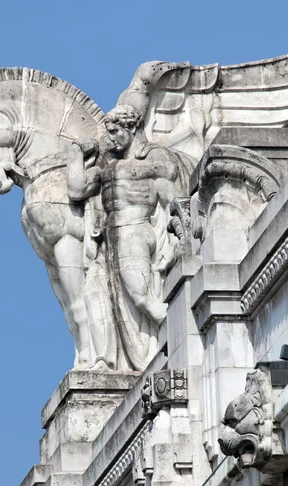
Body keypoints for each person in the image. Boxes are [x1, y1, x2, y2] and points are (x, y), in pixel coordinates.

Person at [67, 105, 196, 371]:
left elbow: (171, 198)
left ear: (132, 128)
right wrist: (76, 153)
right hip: (108, 238)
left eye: (114, 131)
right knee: (93, 292)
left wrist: (181, 239)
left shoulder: (154, 157)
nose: (110, 138)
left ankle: (184, 334)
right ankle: (104, 360)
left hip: (135, 229)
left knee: (139, 296)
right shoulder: (109, 164)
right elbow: (76, 188)